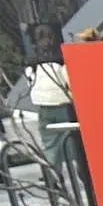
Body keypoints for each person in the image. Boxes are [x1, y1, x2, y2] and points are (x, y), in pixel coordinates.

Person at [26, 24, 74, 174]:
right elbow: (69, 81)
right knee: (74, 140)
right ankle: (82, 172)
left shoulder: (32, 64)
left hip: (43, 107)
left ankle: (52, 175)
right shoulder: (60, 62)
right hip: (63, 105)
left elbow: (30, 83)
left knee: (49, 143)